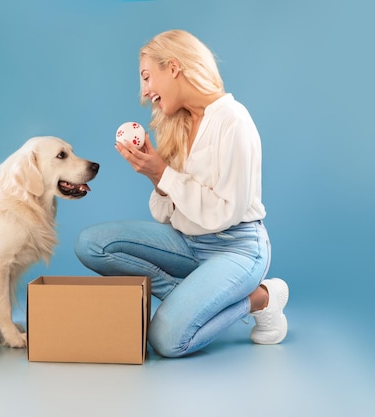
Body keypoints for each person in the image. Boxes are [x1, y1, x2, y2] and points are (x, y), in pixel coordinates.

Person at [74, 29, 289, 357]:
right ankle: (187, 294)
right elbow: (165, 213)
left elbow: (225, 213)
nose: (145, 93)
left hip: (238, 249)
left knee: (165, 339)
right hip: (189, 243)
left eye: (147, 78)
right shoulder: (179, 124)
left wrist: (161, 171)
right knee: (91, 244)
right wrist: (155, 174)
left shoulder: (233, 121)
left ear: (173, 67)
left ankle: (261, 297)